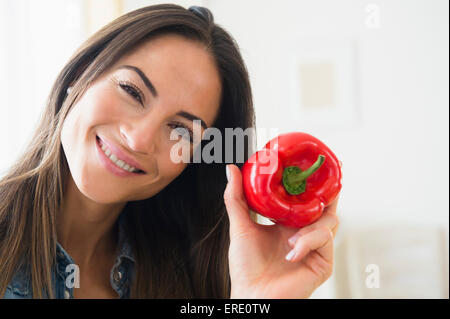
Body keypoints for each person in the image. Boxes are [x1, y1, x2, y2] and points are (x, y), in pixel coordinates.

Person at [0, 4, 339, 299]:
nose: (139, 140)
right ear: (80, 74)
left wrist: (254, 297)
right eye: (132, 91)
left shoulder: (190, 280)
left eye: (181, 130)